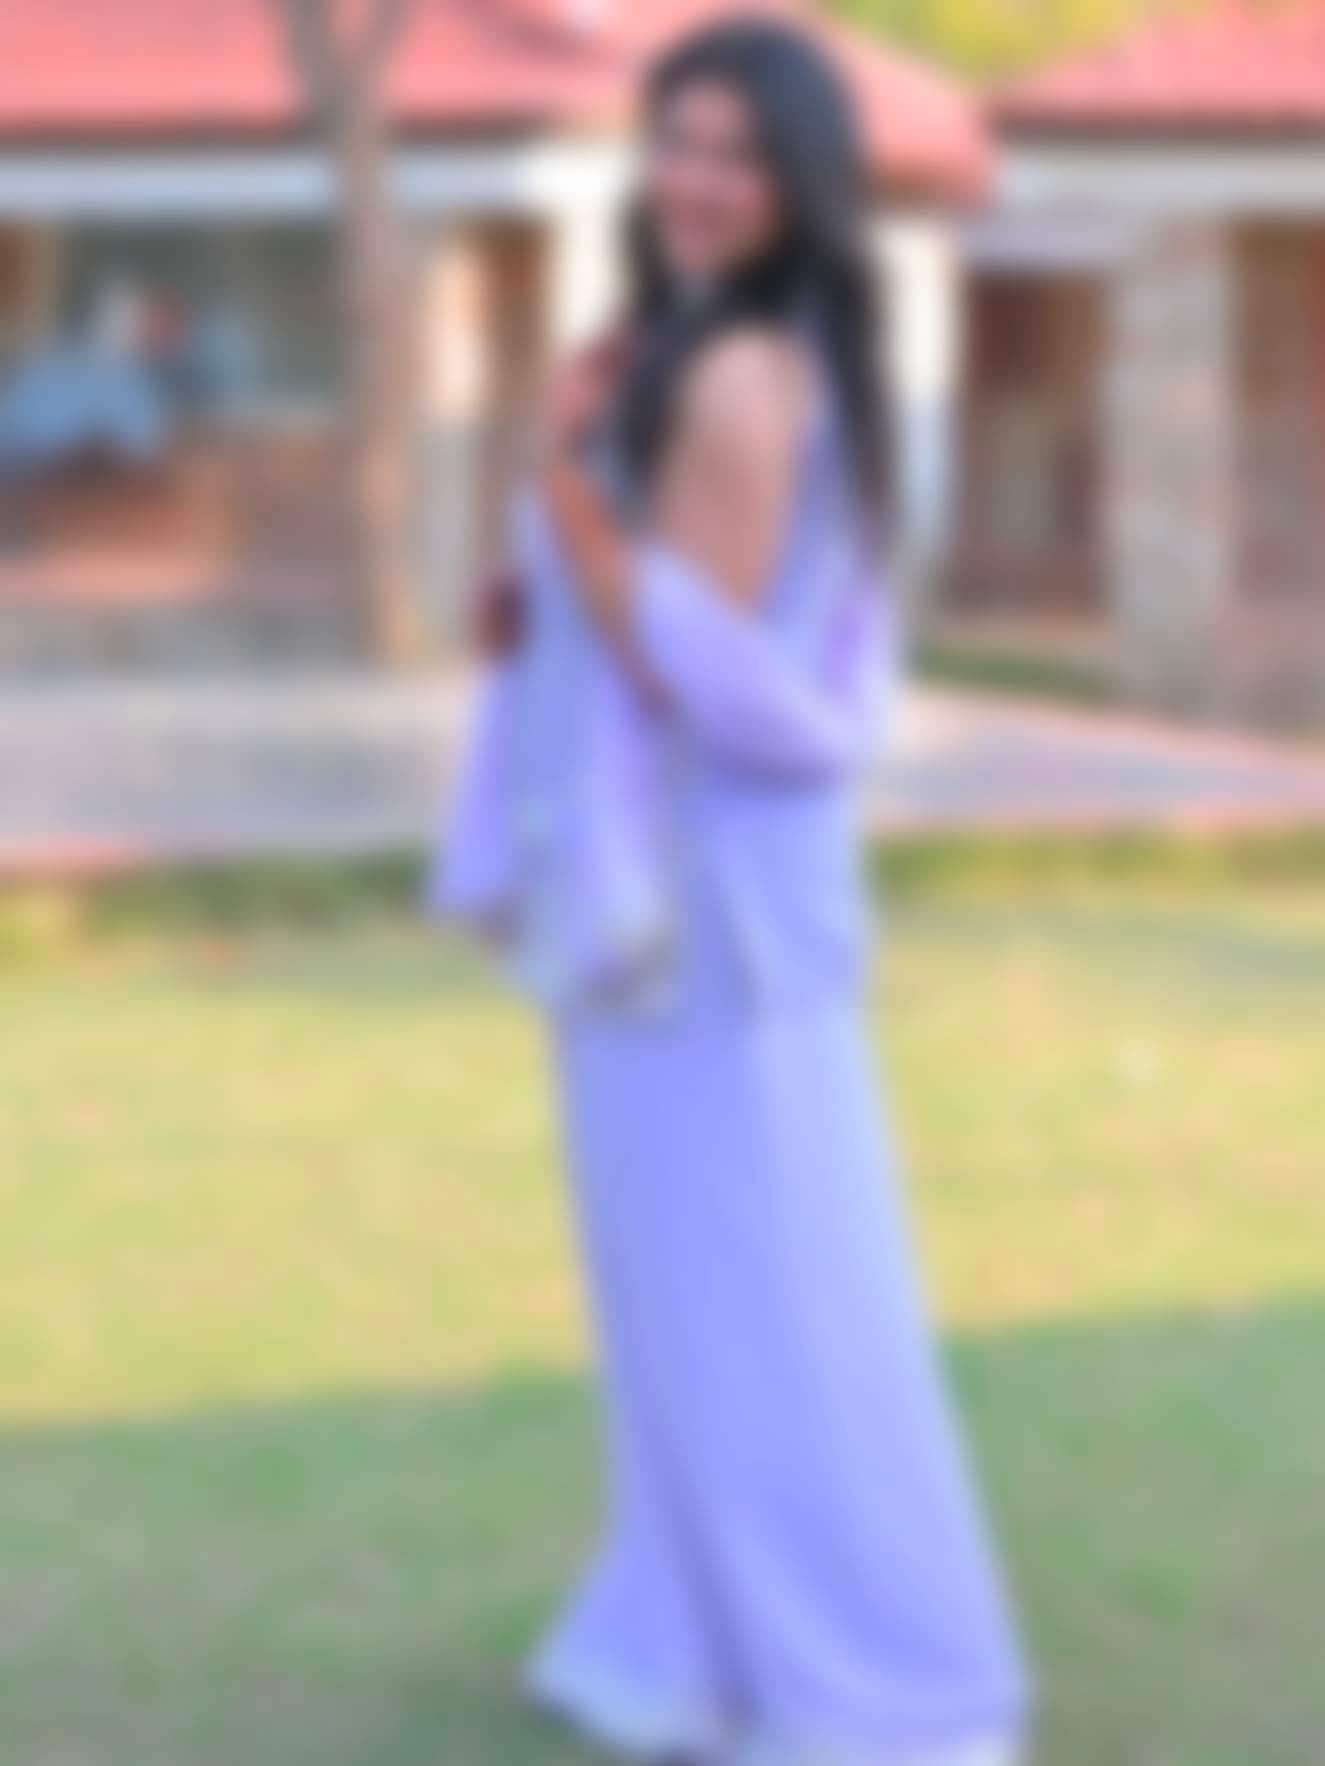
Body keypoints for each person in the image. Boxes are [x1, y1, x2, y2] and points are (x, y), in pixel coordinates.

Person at [437, 18, 1029, 1764]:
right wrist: (546, 568)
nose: (694, 178)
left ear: (799, 182)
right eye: (675, 140)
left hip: (692, 916)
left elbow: (688, 659)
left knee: (764, 1313)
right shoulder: (712, 348)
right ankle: (700, 1633)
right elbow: (661, 613)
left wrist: (560, 493)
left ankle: (873, 1669)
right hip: (701, 901)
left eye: (736, 151)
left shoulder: (738, 376)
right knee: (707, 1310)